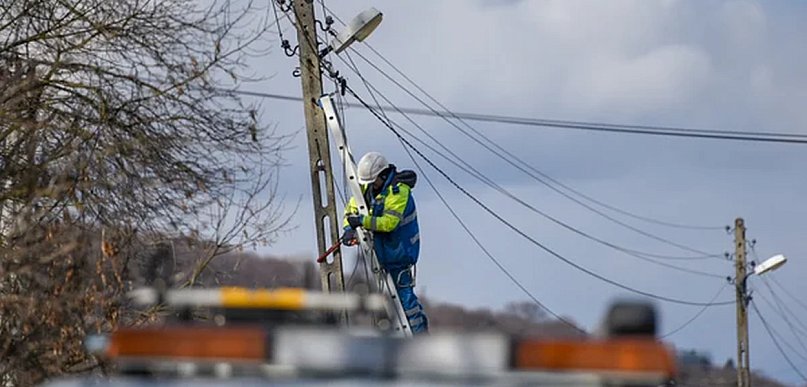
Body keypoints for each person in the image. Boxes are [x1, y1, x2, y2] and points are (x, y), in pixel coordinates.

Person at [342, 151, 428, 334]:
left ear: (382, 175)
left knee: (406, 303)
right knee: (386, 304)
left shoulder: (399, 192)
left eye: (373, 183)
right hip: (381, 255)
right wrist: (348, 229)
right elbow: (350, 210)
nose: (371, 187)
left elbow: (389, 223)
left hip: (399, 254)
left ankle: (421, 340)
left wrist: (362, 222)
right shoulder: (367, 188)